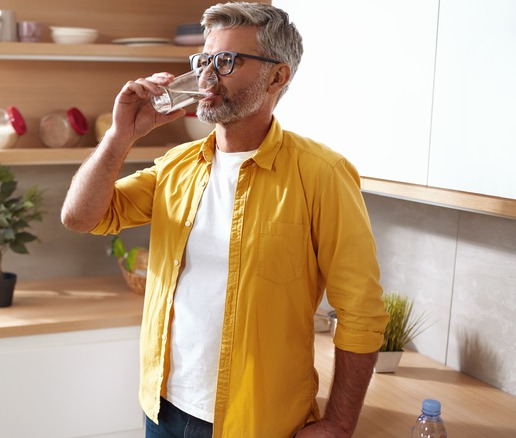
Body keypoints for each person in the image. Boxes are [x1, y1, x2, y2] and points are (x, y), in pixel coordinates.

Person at [61, 2, 389, 437]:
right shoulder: (176, 166)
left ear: (277, 76)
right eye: (204, 60)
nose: (207, 75)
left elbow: (361, 312)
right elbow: (80, 217)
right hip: (163, 410)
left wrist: (340, 423)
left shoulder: (322, 175)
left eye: (227, 61)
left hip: (259, 422)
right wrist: (121, 135)